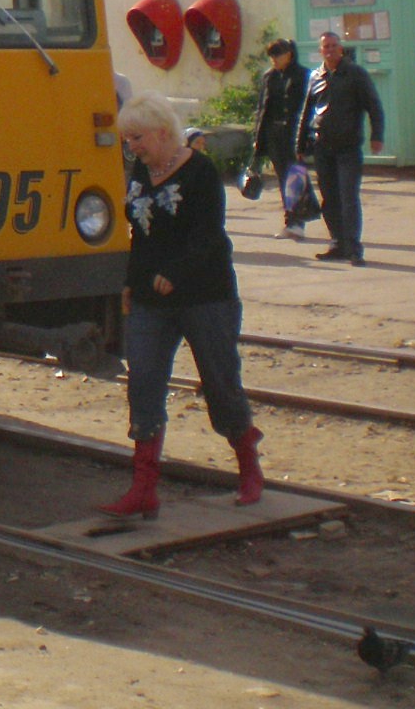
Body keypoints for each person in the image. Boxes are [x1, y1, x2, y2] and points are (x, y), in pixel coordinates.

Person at [100, 93, 263, 518]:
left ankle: (248, 464)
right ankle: (143, 487)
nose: (131, 147)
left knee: (219, 380)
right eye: (127, 140)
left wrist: (175, 272)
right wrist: (131, 283)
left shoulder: (201, 172)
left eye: (137, 138)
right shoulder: (141, 170)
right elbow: (139, 234)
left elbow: (209, 236)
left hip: (205, 295)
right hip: (152, 299)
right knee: (144, 382)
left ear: (161, 131)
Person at [296, 31, 385, 265]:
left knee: (348, 197)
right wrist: (300, 144)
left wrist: (377, 136)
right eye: (326, 46)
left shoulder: (355, 74)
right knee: (329, 198)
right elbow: (306, 112)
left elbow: (374, 106)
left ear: (341, 48)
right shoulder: (316, 76)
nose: (330, 50)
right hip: (322, 147)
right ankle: (337, 243)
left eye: (334, 46)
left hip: (348, 147)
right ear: (320, 50)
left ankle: (354, 248)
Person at [250, 39, 309, 240]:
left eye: (278, 55)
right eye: (271, 55)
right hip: (273, 134)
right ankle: (291, 221)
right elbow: (262, 109)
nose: (274, 59)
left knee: (295, 178)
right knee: (284, 178)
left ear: (290, 54)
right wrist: (258, 137)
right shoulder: (269, 77)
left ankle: (297, 221)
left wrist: (306, 137)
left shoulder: (303, 75)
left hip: (294, 134)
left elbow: (307, 108)